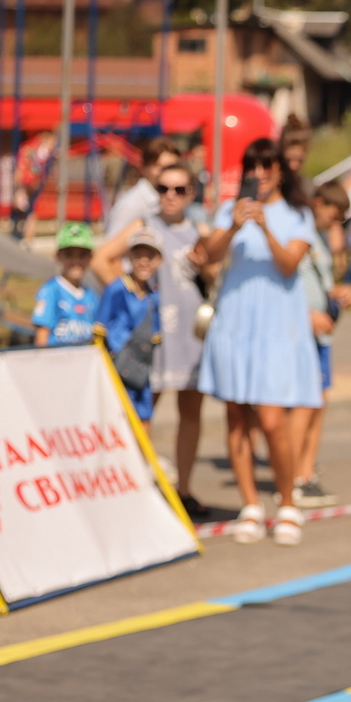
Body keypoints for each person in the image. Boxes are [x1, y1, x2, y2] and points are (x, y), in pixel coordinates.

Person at [198, 137, 323, 547]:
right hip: (236, 322)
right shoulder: (228, 211)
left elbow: (289, 266)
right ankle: (250, 503)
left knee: (272, 419)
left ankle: (287, 502)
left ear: (280, 170)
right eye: (254, 166)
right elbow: (209, 256)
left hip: (277, 326)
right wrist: (234, 223)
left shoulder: (297, 215)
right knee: (236, 416)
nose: (261, 174)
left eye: (268, 166)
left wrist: (265, 226)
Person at [94, 162, 211, 517]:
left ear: (191, 193)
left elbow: (216, 273)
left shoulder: (199, 231)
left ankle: (184, 490)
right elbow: (102, 259)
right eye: (163, 189)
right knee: (141, 413)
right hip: (152, 338)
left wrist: (207, 263)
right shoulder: (144, 225)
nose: (171, 196)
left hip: (190, 334)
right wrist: (132, 298)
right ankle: (136, 488)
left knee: (190, 412)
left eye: (179, 189)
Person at [292, 180, 351, 507]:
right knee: (303, 405)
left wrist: (338, 294)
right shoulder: (298, 233)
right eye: (334, 215)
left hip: (321, 333)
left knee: (318, 403)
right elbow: (287, 286)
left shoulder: (319, 238)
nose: (336, 224)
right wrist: (305, 315)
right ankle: (294, 478)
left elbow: (322, 282)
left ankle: (307, 473)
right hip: (302, 331)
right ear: (317, 203)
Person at [95, 230, 163, 423]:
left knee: (144, 417)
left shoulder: (154, 297)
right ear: (129, 257)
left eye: (150, 256)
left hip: (140, 369)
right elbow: (99, 331)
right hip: (117, 366)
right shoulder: (117, 289)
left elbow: (155, 338)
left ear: (158, 260)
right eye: (138, 255)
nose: (144, 262)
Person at [32, 222, 101, 347]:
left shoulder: (92, 296)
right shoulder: (50, 291)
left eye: (82, 255)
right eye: (69, 255)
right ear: (58, 256)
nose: (76, 261)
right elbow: (41, 338)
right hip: (57, 362)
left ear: (90, 257)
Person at [105, 136, 182, 239]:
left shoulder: (175, 199)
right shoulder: (132, 204)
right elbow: (109, 248)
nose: (167, 173)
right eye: (160, 167)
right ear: (144, 168)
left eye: (172, 167)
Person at [10, 130, 56, 240]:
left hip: (30, 184)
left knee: (28, 211)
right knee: (26, 211)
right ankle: (23, 236)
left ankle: (23, 235)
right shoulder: (33, 150)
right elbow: (24, 168)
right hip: (27, 183)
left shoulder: (34, 150)